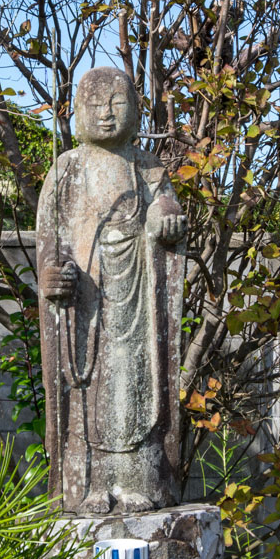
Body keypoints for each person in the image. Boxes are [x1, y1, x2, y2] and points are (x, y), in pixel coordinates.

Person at [36, 67, 187, 514]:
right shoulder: (66, 170)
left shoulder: (146, 166)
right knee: (84, 391)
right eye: (94, 105)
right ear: (78, 113)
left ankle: (139, 481)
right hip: (84, 301)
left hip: (136, 299)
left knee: (135, 386)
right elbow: (48, 241)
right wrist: (49, 276)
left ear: (136, 110)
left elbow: (165, 208)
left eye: (116, 103)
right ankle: (89, 486)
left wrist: (166, 219)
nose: (105, 114)